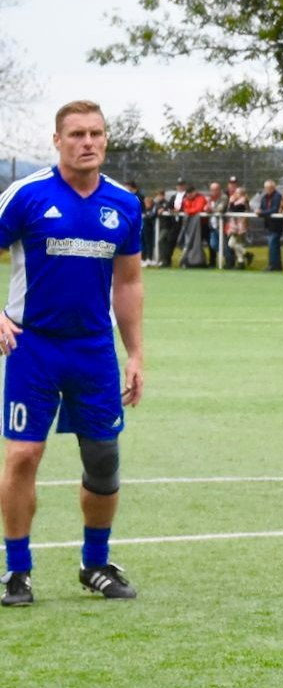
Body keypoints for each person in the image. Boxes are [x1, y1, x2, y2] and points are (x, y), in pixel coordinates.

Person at [0, 101, 145, 606]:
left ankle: (95, 562)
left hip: (93, 351)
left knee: (103, 461)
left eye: (97, 134)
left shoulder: (124, 204)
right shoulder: (26, 195)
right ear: (57, 140)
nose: (89, 142)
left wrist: (135, 354)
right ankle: (17, 570)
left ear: (106, 140)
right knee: (22, 455)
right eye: (78, 134)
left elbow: (128, 282)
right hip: (31, 345)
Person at [258, 179, 283, 271]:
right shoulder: (264, 197)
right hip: (268, 225)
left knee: (272, 244)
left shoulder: (277, 196)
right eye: (266, 188)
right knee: (274, 245)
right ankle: (278, 266)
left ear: (274, 187)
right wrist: (260, 211)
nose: (268, 189)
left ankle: (272, 265)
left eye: (270, 188)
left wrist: (261, 213)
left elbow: (274, 209)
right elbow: (262, 208)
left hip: (276, 225)